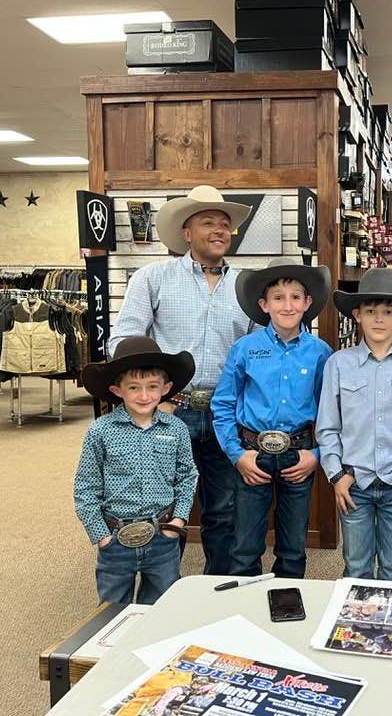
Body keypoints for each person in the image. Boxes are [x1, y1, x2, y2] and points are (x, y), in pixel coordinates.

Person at [108, 185, 257, 576]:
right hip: (170, 410)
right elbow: (124, 340)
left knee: (225, 510)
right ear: (186, 233)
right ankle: (164, 590)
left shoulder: (248, 286)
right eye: (208, 222)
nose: (219, 230)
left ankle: (217, 588)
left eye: (224, 223)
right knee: (162, 507)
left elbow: (260, 352)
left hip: (226, 414)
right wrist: (152, 396)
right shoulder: (153, 278)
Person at [211, 257, 333, 578]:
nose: (288, 306)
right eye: (278, 298)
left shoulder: (321, 353)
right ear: (264, 305)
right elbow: (223, 404)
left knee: (293, 546)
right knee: (245, 545)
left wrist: (317, 455)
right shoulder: (245, 348)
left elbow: (333, 411)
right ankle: (244, 602)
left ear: (307, 303)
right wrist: (237, 455)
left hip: (299, 454)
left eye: (295, 297)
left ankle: (287, 600)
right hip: (253, 454)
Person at [316, 268, 392, 581]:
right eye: (370, 311)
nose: (379, 319)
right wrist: (336, 475)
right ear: (357, 315)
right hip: (354, 483)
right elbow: (327, 427)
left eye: (388, 312)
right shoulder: (338, 364)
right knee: (356, 567)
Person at [74, 336, 199, 604]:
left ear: (166, 388)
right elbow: (85, 487)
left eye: (152, 387)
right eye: (134, 387)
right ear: (117, 390)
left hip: (163, 536)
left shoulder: (176, 429)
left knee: (160, 609)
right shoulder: (100, 431)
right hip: (115, 540)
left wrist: (177, 521)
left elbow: (187, 476)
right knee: (112, 613)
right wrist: (101, 536)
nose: (144, 396)